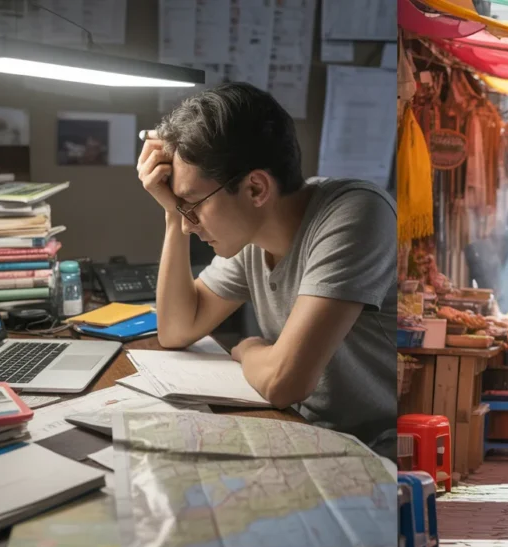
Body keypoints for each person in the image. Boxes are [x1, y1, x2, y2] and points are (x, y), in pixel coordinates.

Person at [135, 83, 397, 459]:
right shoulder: (253, 236)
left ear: (255, 188)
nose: (188, 223)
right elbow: (176, 330)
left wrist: (249, 348)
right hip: (302, 430)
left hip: (376, 452)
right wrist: (171, 212)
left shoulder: (356, 215)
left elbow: (282, 382)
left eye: (191, 203)